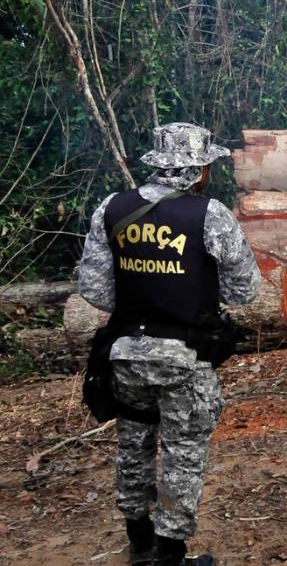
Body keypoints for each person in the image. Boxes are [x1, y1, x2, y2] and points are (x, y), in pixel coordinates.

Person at [78, 123, 261, 565]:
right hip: (185, 358)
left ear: (159, 164)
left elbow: (93, 289)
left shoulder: (112, 207)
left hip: (125, 356)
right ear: (199, 170)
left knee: (133, 445)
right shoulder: (210, 214)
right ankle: (172, 555)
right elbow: (245, 289)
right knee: (183, 454)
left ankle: (139, 545)